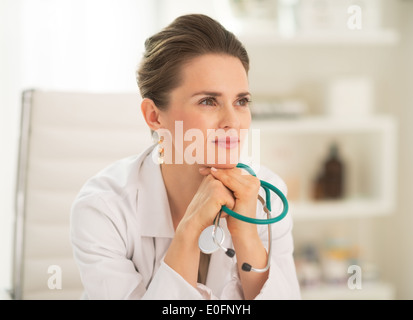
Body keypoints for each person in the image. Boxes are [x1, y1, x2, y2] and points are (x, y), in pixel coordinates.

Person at [70, 14, 301, 300]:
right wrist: (188, 231)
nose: (233, 121)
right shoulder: (104, 208)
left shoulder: (267, 196)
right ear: (154, 116)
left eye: (241, 101)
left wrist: (245, 232)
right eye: (208, 101)